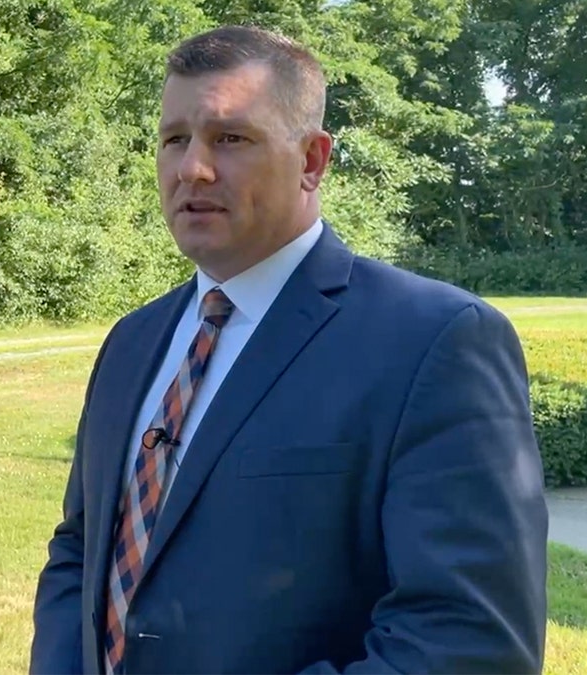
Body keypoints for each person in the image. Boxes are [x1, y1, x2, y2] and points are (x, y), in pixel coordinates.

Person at [28, 24, 549, 675]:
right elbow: (80, 550)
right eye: (174, 139)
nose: (192, 166)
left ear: (312, 160)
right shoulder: (131, 342)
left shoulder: (435, 343)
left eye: (231, 137)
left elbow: (467, 641)